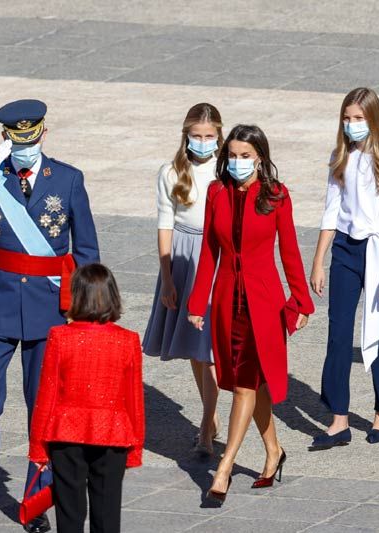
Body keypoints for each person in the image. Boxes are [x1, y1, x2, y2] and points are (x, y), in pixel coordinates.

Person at [0, 99, 100, 533]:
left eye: (32, 138)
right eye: (17, 140)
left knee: (43, 409)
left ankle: (37, 500)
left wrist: (86, 315)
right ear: (5, 140)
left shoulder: (68, 180)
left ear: (43, 134)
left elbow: (87, 252)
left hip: (48, 310)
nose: (26, 146)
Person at [187, 124, 314, 504]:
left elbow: (289, 251)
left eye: (246, 156)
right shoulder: (216, 192)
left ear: (260, 157)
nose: (238, 163)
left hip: (263, 305)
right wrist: (198, 303)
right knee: (251, 383)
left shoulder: (276, 196)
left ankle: (224, 468)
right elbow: (209, 250)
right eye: (233, 156)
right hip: (229, 302)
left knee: (245, 384)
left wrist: (301, 300)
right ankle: (274, 451)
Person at [309, 88, 379, 449]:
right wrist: (319, 261)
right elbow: (331, 210)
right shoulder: (341, 157)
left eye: (358, 118)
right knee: (338, 332)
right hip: (346, 250)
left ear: (373, 119)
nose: (352, 124)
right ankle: (338, 418)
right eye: (347, 118)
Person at [29, 263, 144, 533]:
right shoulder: (128, 340)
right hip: (113, 435)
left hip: (65, 434)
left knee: (69, 514)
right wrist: (135, 448)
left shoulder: (59, 336)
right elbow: (134, 400)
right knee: (107, 515)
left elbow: (46, 395)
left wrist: (37, 447)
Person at [142, 103, 223, 455]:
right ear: (186, 135)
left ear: (219, 135)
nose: (203, 142)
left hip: (217, 254)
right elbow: (165, 223)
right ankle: (209, 417)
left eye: (209, 136)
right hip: (184, 256)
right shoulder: (172, 171)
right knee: (195, 347)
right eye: (197, 136)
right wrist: (167, 277)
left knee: (211, 351)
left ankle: (206, 427)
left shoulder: (227, 168)